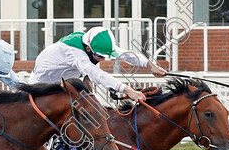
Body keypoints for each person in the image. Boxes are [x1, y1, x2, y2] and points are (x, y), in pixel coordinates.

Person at [29, 26, 167, 99]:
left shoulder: (96, 45)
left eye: (106, 57)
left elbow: (127, 55)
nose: (102, 59)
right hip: (41, 86)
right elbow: (95, 73)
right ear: (88, 48)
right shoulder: (73, 52)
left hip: (63, 83)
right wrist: (127, 90)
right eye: (99, 56)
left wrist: (151, 66)